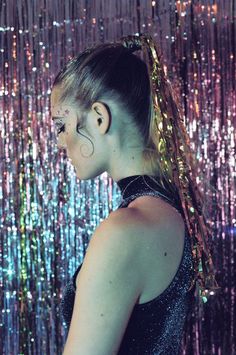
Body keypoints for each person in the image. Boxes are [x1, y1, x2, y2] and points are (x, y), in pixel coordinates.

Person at [50, 33, 219, 354]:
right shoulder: (171, 212)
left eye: (61, 125)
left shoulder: (125, 231)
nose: (60, 143)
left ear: (99, 118)